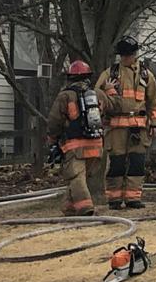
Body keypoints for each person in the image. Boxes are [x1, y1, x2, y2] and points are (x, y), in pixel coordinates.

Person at [95, 36, 156, 210]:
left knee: (137, 163)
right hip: (116, 128)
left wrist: (155, 124)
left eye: (128, 55)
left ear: (134, 54)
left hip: (138, 129)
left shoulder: (146, 76)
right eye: (122, 55)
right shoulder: (110, 74)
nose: (125, 58)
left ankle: (133, 198)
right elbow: (96, 97)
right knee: (116, 163)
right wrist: (108, 91)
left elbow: (154, 102)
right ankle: (114, 199)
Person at [45, 60, 114, 217]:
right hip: (97, 146)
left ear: (70, 78)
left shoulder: (65, 96)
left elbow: (55, 121)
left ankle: (85, 207)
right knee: (80, 178)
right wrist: (110, 91)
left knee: (76, 177)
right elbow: (113, 107)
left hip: (75, 146)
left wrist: (52, 139)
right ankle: (69, 208)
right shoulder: (98, 94)